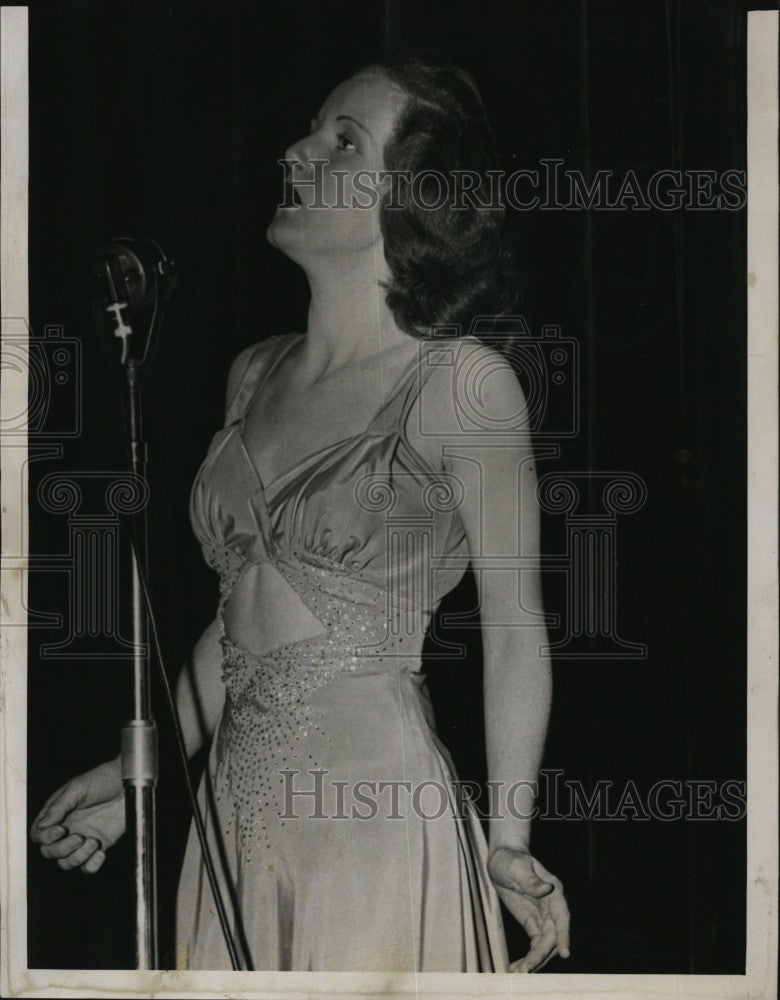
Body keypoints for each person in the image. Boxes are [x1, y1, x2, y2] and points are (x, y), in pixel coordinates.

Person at [31, 53, 570, 973]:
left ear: (412, 194)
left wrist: (509, 839)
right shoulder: (254, 373)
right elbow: (247, 620)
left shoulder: (462, 382)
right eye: (312, 129)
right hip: (232, 816)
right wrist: (140, 776)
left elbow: (518, 629)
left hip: (375, 812)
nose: (297, 150)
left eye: (341, 140)